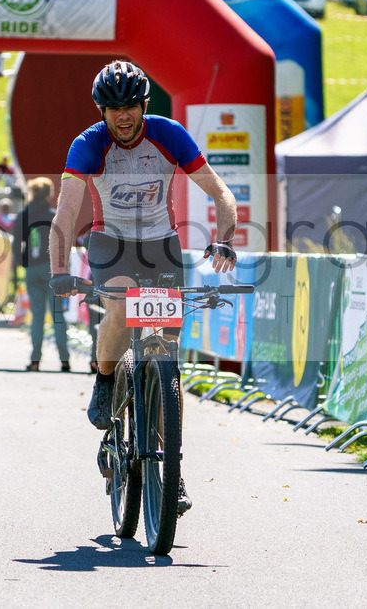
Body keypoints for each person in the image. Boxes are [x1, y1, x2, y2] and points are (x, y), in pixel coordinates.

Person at [49, 60, 238, 513]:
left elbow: (221, 194)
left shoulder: (168, 134)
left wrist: (225, 239)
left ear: (143, 105)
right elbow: (64, 214)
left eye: (130, 106)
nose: (123, 116)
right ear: (102, 112)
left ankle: (171, 470)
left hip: (161, 247)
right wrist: (59, 270)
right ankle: (104, 378)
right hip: (110, 243)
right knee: (118, 306)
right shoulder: (88, 145)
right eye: (113, 110)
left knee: (162, 359)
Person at [12, 177, 71, 373]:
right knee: (57, 315)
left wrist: (24, 263)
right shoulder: (53, 215)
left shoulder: (22, 216)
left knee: (37, 315)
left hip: (32, 268)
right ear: (49, 194)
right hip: (53, 270)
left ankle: (35, 360)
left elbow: (15, 244)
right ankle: (64, 360)